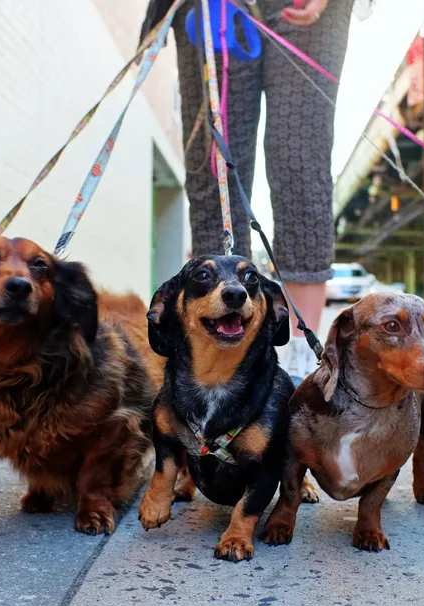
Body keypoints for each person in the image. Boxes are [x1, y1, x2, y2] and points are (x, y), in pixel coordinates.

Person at [140, 0, 358, 386]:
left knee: (300, 161)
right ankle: (216, 352)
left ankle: (297, 354)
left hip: (306, 11)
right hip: (212, 8)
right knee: (214, 167)